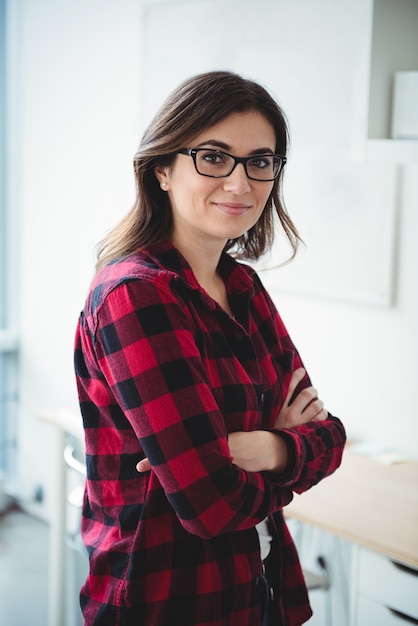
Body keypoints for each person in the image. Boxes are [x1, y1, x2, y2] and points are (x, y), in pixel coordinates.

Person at [74, 70, 346, 626]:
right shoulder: (136, 296)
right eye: (214, 157)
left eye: (260, 162)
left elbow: (330, 435)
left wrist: (258, 450)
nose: (241, 183)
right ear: (163, 170)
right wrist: (282, 446)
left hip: (259, 584)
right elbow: (210, 506)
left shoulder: (242, 286)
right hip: (167, 599)